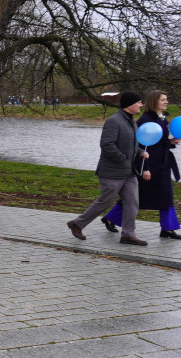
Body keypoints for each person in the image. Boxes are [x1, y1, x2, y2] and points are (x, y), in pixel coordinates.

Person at [67, 91, 149, 245]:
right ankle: (77, 224)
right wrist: (123, 158)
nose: (141, 105)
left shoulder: (132, 122)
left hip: (129, 172)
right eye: (139, 102)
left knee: (132, 202)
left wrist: (140, 153)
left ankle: (127, 234)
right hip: (111, 173)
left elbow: (132, 145)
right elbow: (107, 145)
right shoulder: (114, 121)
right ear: (130, 105)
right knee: (104, 201)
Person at [101, 90, 181, 239]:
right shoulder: (145, 121)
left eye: (167, 99)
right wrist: (145, 168)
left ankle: (168, 229)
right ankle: (111, 218)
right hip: (149, 165)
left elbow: (158, 142)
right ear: (154, 101)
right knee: (137, 197)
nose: (166, 102)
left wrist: (170, 142)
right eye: (163, 99)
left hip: (163, 164)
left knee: (167, 196)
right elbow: (140, 146)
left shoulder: (162, 119)